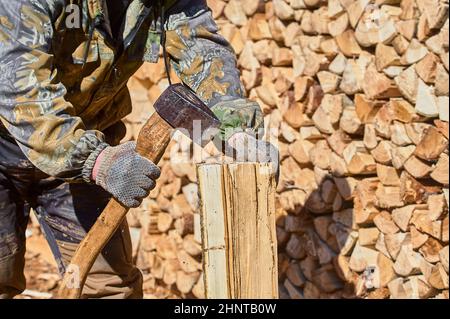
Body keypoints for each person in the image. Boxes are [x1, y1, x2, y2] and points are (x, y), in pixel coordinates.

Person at [0, 0, 278, 299]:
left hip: (83, 149)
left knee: (110, 290)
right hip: (11, 146)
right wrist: (97, 162)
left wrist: (233, 127)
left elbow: (201, 50)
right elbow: (18, 85)